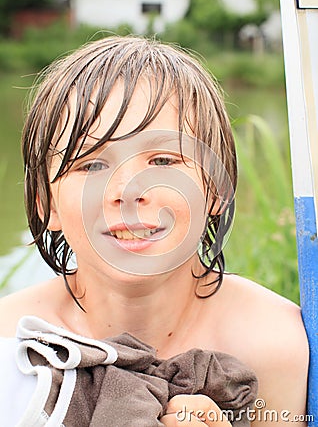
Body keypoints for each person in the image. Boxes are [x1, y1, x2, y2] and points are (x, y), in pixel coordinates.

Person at [0, 36, 308, 426]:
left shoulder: (277, 342)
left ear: (215, 189)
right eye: (91, 165)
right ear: (46, 204)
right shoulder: (10, 344)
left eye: (163, 160)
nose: (128, 192)